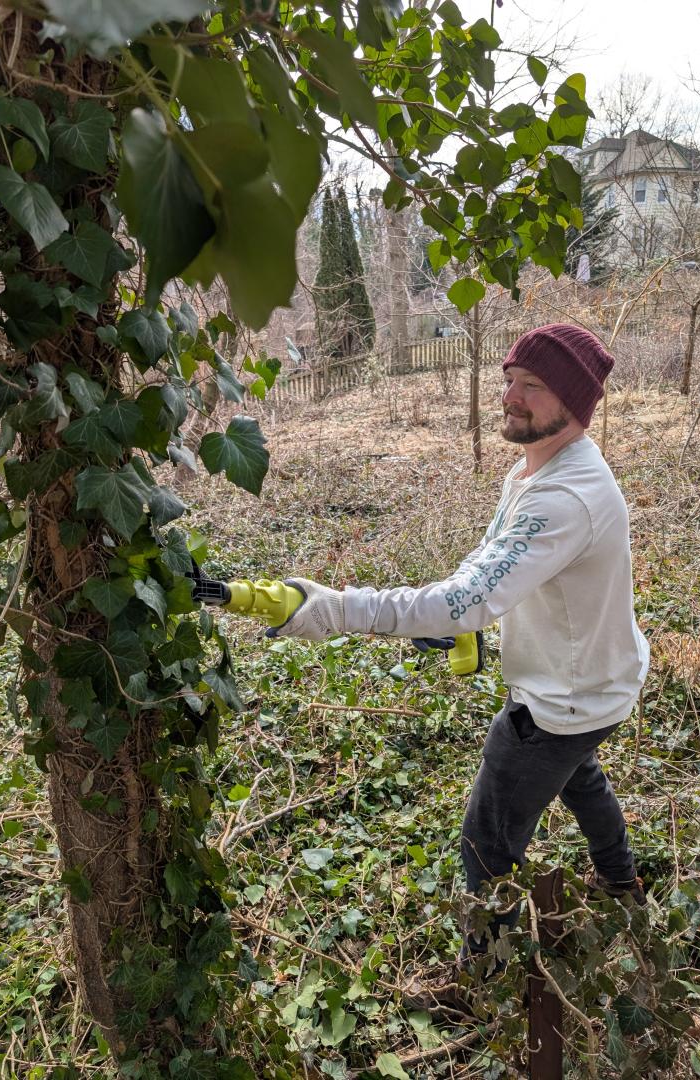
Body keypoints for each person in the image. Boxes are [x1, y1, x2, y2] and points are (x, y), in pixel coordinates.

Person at [268, 323, 650, 1011]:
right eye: (509, 379)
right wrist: (461, 620)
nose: (510, 396)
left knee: (485, 842)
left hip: (559, 701)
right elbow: (486, 572)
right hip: (599, 682)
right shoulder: (535, 470)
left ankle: (482, 984)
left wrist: (339, 609)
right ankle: (622, 882)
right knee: (580, 776)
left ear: (574, 401)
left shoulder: (563, 498)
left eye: (533, 386)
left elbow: (465, 597)